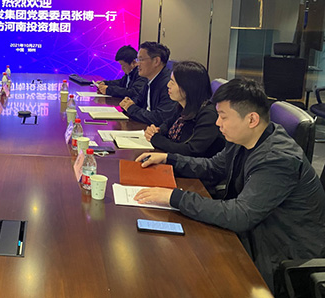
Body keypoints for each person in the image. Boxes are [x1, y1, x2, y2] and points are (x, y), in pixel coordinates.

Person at [133, 78, 325, 293]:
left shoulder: (278, 159)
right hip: (254, 234)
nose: (218, 123)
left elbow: (240, 215)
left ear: (251, 119)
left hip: (281, 257)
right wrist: (170, 159)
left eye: (223, 117)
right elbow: (213, 167)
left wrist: (174, 197)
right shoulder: (246, 138)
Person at [144, 61, 224, 157]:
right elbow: (167, 124)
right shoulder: (183, 106)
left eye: (173, 82)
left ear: (187, 87)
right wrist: (156, 130)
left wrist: (156, 139)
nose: (168, 85)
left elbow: (191, 150)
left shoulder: (208, 115)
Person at [119, 41, 178, 125]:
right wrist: (128, 103)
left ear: (156, 61)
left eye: (141, 59)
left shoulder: (169, 84)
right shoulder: (150, 79)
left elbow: (160, 118)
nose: (137, 64)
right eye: (137, 59)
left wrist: (131, 108)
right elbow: (139, 100)